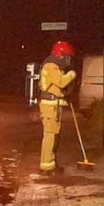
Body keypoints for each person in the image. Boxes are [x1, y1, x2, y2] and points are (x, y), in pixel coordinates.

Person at [37, 40, 77, 175]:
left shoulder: (54, 66)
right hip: (49, 107)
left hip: (53, 106)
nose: (69, 60)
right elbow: (61, 81)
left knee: (54, 136)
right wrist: (72, 74)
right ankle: (47, 167)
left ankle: (51, 164)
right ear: (61, 55)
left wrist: (66, 97)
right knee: (50, 136)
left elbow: (57, 89)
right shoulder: (51, 66)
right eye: (67, 57)